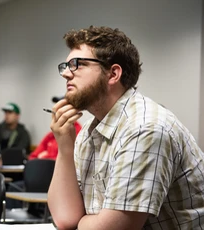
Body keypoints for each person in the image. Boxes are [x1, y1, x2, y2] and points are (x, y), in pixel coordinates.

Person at [48, 25, 204, 230]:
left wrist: (84, 221)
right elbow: (65, 220)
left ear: (113, 74)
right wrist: (65, 148)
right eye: (66, 65)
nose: (66, 74)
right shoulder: (88, 131)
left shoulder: (145, 128)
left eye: (78, 64)